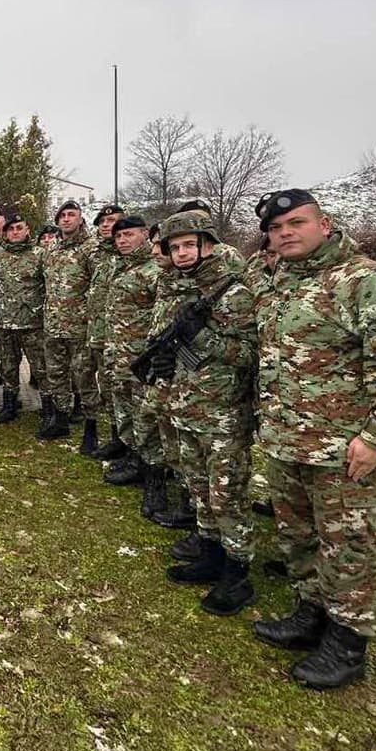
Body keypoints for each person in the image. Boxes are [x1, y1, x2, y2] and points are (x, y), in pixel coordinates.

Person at [250, 189, 376, 690]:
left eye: (296, 223)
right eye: (276, 228)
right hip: (287, 441)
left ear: (324, 224)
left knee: (350, 545)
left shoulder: (368, 282)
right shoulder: (281, 284)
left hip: (344, 449)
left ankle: (347, 642)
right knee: (298, 536)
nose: (285, 233)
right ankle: (311, 613)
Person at [150, 211, 259, 617]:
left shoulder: (233, 293)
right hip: (185, 407)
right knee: (198, 488)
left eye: (189, 245)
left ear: (208, 245)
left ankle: (237, 573)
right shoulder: (179, 288)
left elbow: (251, 354)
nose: (181, 253)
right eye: (174, 247)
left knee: (227, 496)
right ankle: (211, 553)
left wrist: (203, 337)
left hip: (222, 414)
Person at [103, 216, 160, 489]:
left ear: (144, 233)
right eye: (118, 236)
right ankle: (132, 454)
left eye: (129, 234)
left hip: (142, 358)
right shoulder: (120, 267)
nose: (123, 240)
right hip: (119, 353)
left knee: (144, 413)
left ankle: (149, 469)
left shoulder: (154, 270)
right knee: (124, 407)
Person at [39, 201, 95, 440]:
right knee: (56, 374)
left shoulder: (91, 248)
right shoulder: (51, 249)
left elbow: (98, 287)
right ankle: (60, 419)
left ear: (80, 219)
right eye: (62, 215)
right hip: (53, 325)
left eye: (71, 214)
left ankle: (91, 426)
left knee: (84, 376)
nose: (66, 219)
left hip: (80, 327)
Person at [0, 213, 45, 425]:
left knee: (40, 368)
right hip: (5, 322)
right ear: (6, 233)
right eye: (11, 229)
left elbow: (47, 285)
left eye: (19, 228)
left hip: (32, 323)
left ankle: (49, 409)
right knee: (8, 367)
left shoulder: (39, 254)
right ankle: (9, 407)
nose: (15, 232)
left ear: (27, 230)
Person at [85, 204, 126, 460]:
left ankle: (126, 442)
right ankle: (115, 437)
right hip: (99, 333)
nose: (106, 225)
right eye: (102, 221)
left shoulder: (131, 256)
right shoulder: (95, 254)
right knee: (107, 385)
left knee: (122, 389)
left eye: (112, 221)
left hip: (125, 337)